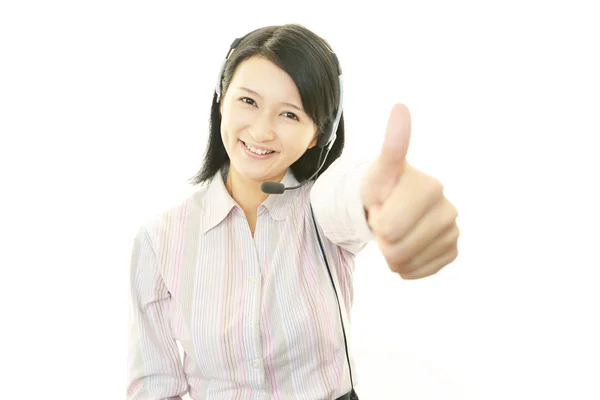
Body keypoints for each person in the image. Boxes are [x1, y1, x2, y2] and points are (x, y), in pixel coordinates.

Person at [126, 24, 459, 400]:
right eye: (248, 101)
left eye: (289, 114)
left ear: (320, 133)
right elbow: (154, 387)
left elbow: (351, 194)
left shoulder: (321, 211)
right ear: (221, 99)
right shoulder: (160, 238)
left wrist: (388, 194)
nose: (262, 131)